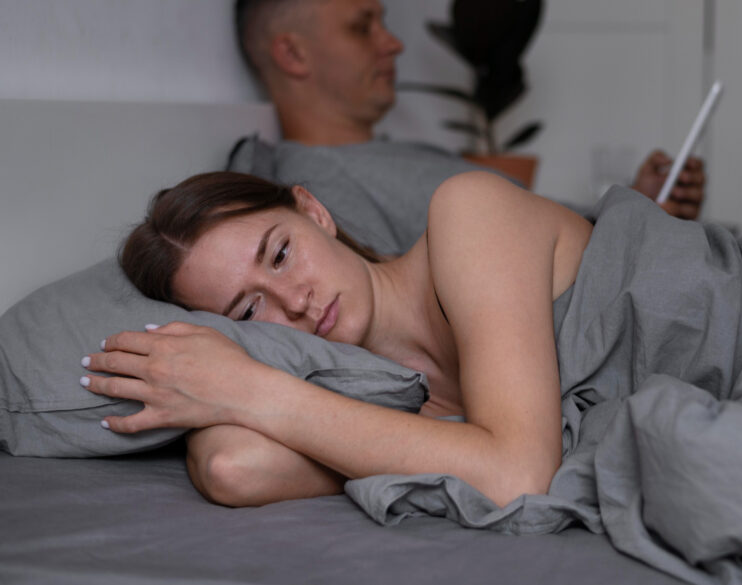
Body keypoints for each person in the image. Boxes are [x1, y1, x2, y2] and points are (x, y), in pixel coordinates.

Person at [82, 170, 589, 508]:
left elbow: (517, 477)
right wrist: (220, 379)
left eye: (280, 254)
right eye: (251, 310)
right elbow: (232, 468)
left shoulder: (470, 211)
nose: (295, 300)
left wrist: (243, 389)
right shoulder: (376, 407)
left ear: (314, 213)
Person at [234, 0, 706, 220]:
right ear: (293, 53)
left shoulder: (403, 156)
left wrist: (639, 207)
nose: (394, 44)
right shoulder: (317, 190)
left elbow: (536, 226)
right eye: (362, 28)